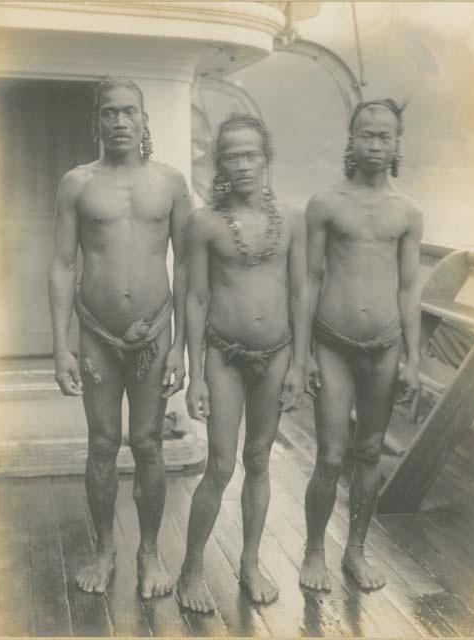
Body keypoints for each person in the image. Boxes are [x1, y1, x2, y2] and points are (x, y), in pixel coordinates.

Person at [48, 76, 190, 598]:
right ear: (98, 121)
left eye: (130, 111)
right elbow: (62, 265)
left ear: (144, 119)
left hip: (155, 332)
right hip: (97, 333)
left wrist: (180, 345)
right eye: (110, 112)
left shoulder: (171, 183)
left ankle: (149, 554)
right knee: (103, 443)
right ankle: (104, 549)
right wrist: (61, 344)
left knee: (149, 443)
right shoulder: (77, 183)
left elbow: (190, 268)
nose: (120, 121)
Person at [176, 113, 309, 612]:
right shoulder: (204, 222)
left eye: (251, 154)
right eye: (232, 155)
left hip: (276, 355)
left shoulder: (292, 220)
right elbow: (194, 300)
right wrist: (194, 376)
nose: (243, 164)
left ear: (266, 158)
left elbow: (299, 293)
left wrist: (298, 364)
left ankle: (250, 564)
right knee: (220, 462)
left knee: (258, 459)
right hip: (224, 355)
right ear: (220, 163)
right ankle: (192, 567)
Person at [300, 99, 422, 592]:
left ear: (397, 144)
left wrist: (414, 358)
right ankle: (313, 552)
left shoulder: (407, 212)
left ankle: (355, 551)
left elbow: (409, 288)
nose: (375, 143)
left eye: (385, 136)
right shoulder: (326, 203)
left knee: (369, 452)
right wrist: (302, 353)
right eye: (366, 134)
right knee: (331, 457)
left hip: (386, 345)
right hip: (333, 345)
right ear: (351, 139)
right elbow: (308, 279)